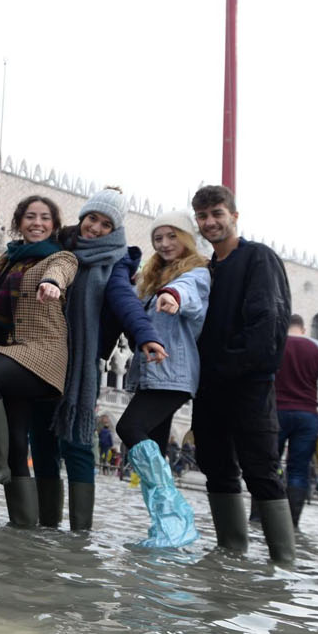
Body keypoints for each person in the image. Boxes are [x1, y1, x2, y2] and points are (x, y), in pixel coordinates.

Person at [44, 188, 168, 532]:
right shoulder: (61, 247)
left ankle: (80, 532)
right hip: (43, 354)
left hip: (81, 362)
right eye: (92, 218)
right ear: (82, 217)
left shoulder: (116, 263)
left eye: (105, 223)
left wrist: (146, 336)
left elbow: (125, 301)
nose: (95, 228)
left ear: (115, 229)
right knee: (42, 439)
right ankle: (42, 525)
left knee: (78, 443)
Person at [189, 184, 295, 564]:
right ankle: (230, 553)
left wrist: (231, 365)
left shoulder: (259, 259)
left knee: (261, 469)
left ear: (234, 216)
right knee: (216, 468)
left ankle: (283, 563)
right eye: (203, 216)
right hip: (208, 387)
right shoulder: (205, 270)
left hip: (249, 384)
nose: (210, 222)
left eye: (217, 213)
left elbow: (269, 322)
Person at [0, 195, 78, 528]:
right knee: (16, 438)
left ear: (54, 225)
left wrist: (52, 283)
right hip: (10, 352)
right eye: (29, 216)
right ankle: (24, 527)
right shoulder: (5, 260)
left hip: (40, 352)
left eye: (44, 218)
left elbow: (62, 271)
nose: (36, 223)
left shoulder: (59, 257)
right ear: (18, 222)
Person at [119, 211, 211, 548]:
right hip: (151, 373)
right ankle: (164, 527)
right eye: (158, 238)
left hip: (174, 373)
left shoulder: (196, 272)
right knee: (152, 448)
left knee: (127, 428)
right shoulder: (151, 275)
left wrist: (172, 296)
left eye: (172, 236)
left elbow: (188, 292)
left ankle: (176, 517)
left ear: (186, 238)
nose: (165, 244)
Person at [277, 315, 318, 528]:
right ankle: (292, 523)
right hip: (307, 416)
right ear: (303, 329)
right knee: (298, 469)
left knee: (267, 466)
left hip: (276, 412)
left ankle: (260, 517)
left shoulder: (276, 341)